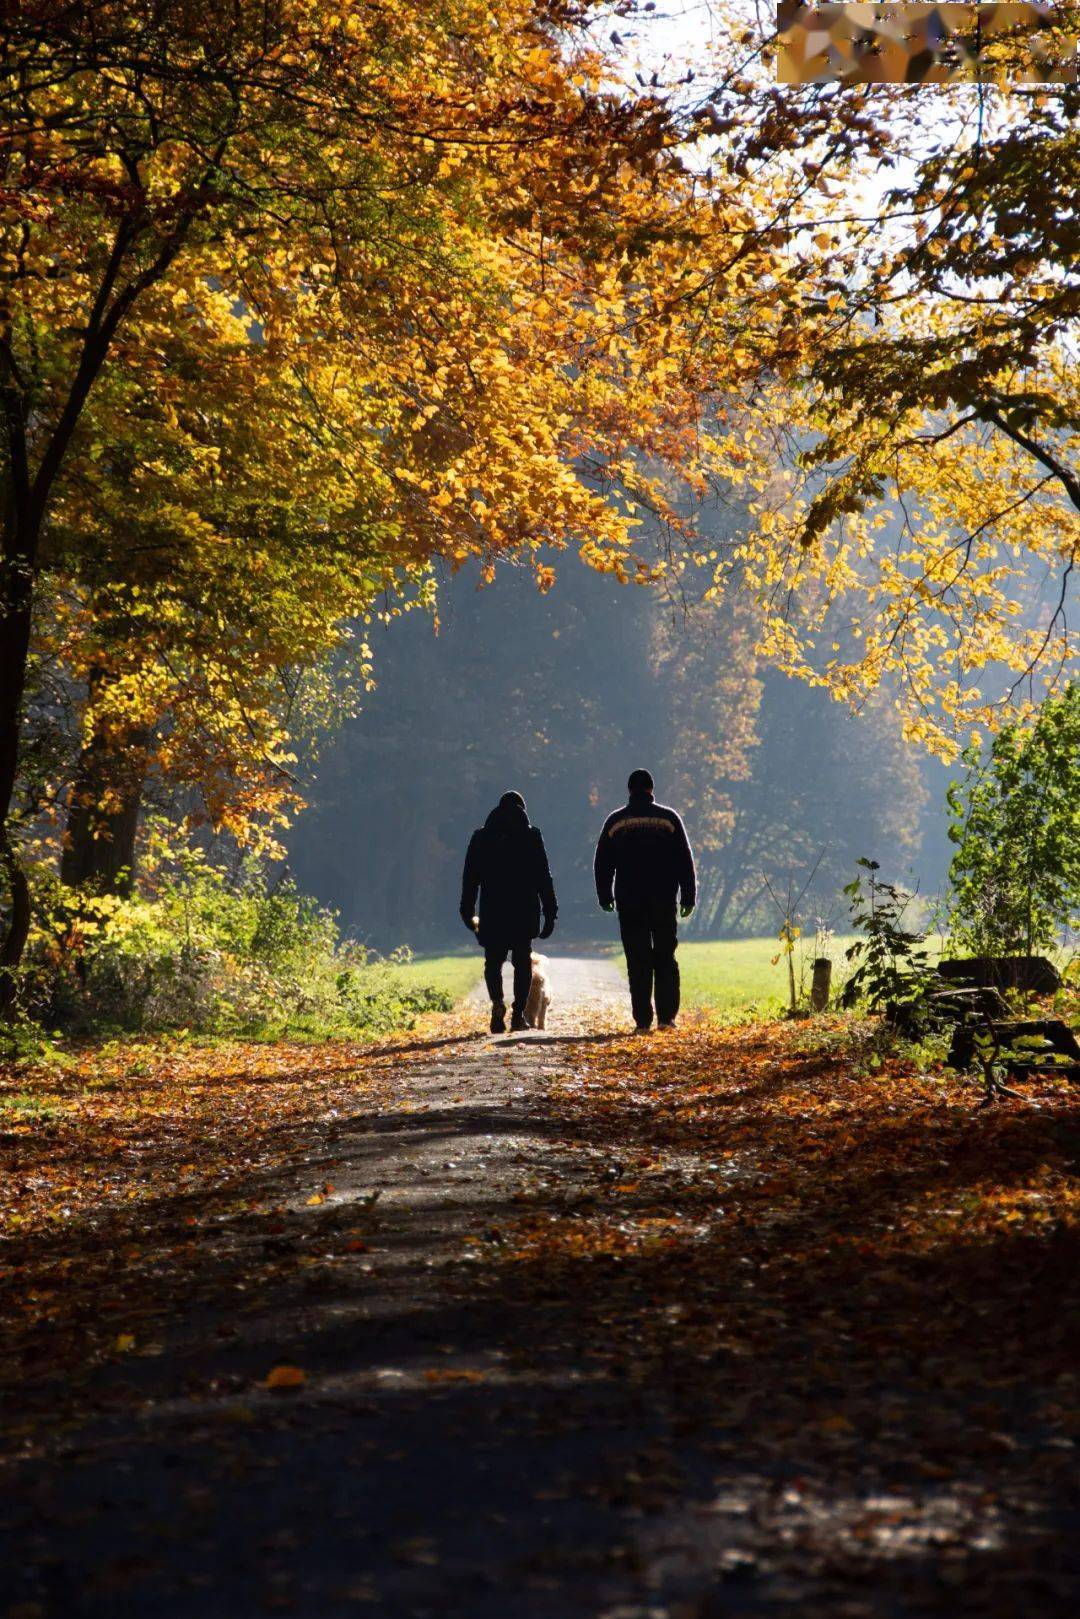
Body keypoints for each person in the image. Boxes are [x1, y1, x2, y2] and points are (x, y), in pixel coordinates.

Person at [594, 768, 695, 1031]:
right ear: (652, 789)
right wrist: (688, 896)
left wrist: (605, 895)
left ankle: (642, 1021)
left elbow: (602, 862)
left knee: (637, 959)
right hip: (663, 898)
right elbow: (684, 859)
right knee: (665, 957)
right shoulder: (668, 818)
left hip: (630, 900)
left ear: (629, 790)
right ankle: (666, 1018)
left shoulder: (616, 821)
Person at [460, 791, 557, 1033]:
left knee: (493, 961)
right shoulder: (531, 836)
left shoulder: (481, 837)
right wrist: (550, 911)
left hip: (493, 909)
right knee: (522, 961)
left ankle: (496, 1005)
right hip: (523, 909)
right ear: (522, 809)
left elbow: (470, 878)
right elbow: (543, 877)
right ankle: (518, 1014)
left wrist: (467, 909)